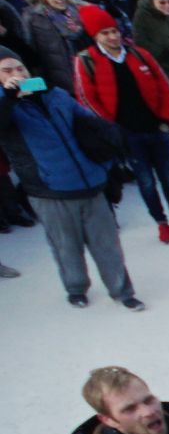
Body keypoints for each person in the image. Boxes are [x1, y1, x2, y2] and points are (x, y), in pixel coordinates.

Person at [0, 47, 142, 309]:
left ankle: (123, 291)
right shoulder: (6, 107)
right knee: (66, 246)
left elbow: (91, 125)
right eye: (7, 70)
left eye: (20, 68)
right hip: (49, 190)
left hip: (90, 181)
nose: (16, 74)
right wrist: (8, 97)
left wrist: (109, 157)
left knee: (107, 244)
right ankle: (76, 288)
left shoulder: (55, 95)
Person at [71, 3, 169, 245]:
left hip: (156, 128)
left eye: (114, 31)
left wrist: (165, 119)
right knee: (146, 183)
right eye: (105, 33)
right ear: (95, 36)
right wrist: (112, 130)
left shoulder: (139, 53)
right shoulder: (85, 61)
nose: (112, 36)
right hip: (126, 135)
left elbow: (164, 86)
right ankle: (162, 223)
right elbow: (87, 100)